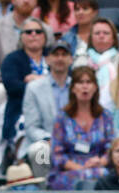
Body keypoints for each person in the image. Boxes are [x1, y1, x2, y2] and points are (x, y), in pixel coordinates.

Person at [48, 65, 112, 193]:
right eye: (80, 82)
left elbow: (111, 148)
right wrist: (79, 167)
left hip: (97, 166)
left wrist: (100, 161)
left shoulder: (105, 116)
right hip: (69, 168)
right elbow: (57, 154)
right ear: (73, 88)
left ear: (95, 87)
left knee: (104, 176)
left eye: (89, 82)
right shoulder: (62, 117)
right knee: (77, 177)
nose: (85, 86)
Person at [17, 35, 71, 177]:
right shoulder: (34, 88)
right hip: (44, 140)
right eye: (55, 54)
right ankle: (45, 192)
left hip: (72, 140)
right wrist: (50, 139)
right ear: (47, 59)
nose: (60, 58)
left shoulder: (78, 86)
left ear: (71, 59)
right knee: (40, 150)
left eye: (64, 54)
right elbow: (31, 127)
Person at [0, 15, 48, 148]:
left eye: (38, 32)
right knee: (39, 149)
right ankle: (24, 163)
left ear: (45, 36)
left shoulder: (54, 55)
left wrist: (35, 81)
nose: (34, 34)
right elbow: (13, 86)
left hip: (54, 113)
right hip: (22, 113)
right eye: (28, 32)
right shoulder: (12, 59)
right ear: (21, 36)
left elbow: (66, 81)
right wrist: (47, 84)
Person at [83, 17, 119, 96]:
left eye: (106, 33)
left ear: (113, 38)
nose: (101, 36)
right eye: (97, 33)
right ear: (91, 38)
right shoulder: (81, 60)